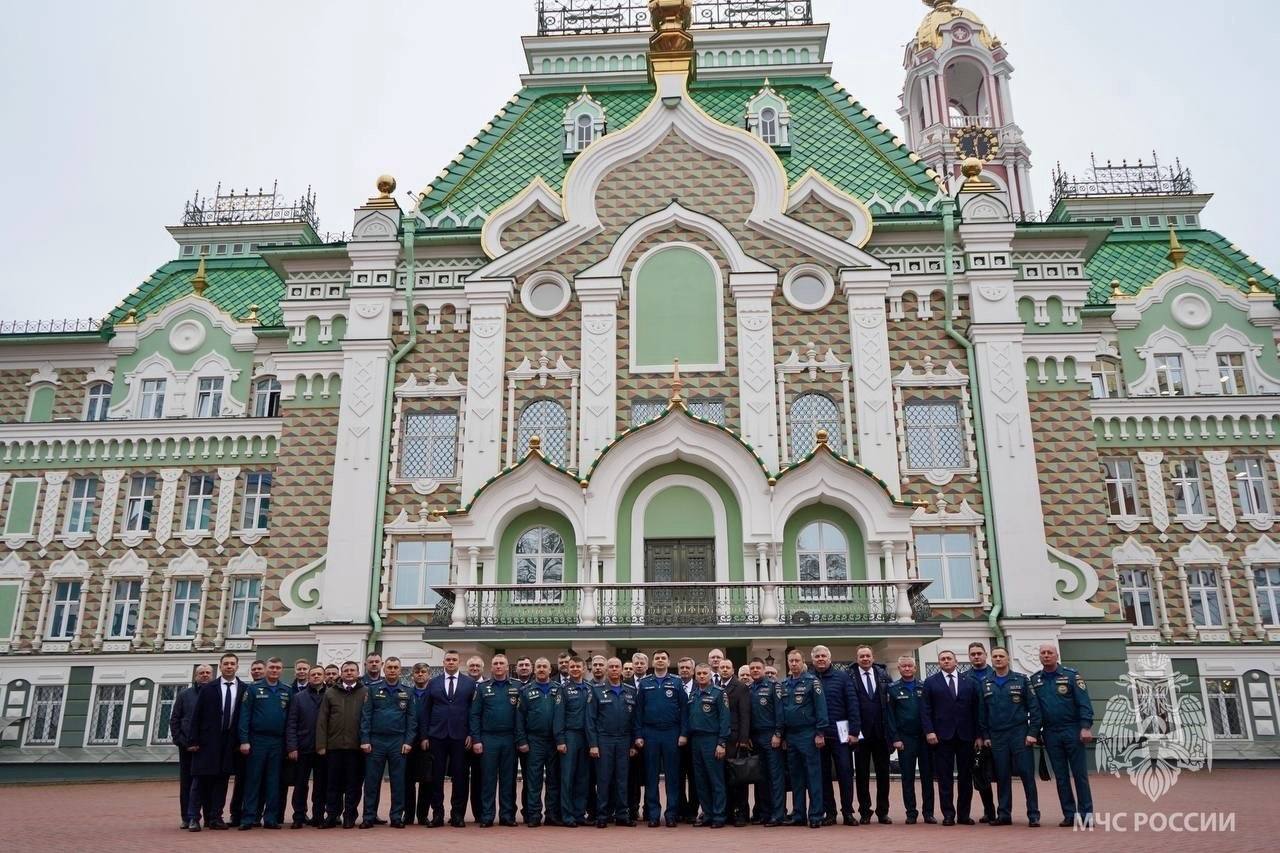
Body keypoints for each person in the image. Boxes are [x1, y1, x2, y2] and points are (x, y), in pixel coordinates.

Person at [1030, 643, 1094, 827]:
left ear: (1056, 655)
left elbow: (1084, 703)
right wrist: (1035, 732)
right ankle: (1069, 815)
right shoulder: (1035, 680)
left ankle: (1086, 815)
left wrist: (1085, 726)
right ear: (1039, 657)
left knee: (1080, 775)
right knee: (1061, 777)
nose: (1046, 655)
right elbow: (1035, 710)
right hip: (1051, 733)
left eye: (1050, 652)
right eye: (1043, 653)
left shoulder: (1072, 676)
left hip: (1072, 730)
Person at [977, 647, 1041, 827]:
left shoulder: (1021, 680)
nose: (998, 659)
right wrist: (986, 735)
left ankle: (1033, 814)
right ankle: (1004, 814)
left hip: (1019, 733)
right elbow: (982, 713)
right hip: (997, 736)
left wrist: (1032, 733)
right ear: (992, 659)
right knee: (1002, 776)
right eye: (995, 656)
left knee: (1027, 775)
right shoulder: (986, 683)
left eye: (1001, 656)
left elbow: (1034, 709)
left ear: (1008, 659)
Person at [186, 653, 247, 830]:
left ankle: (215, 817)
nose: (229, 666)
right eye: (226, 663)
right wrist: (193, 740)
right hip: (207, 742)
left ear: (237, 666)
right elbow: (197, 715)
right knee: (200, 781)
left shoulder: (244, 689)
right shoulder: (208, 688)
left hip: (229, 743)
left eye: (232, 664)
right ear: (220, 666)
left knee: (222, 781)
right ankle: (194, 818)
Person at [921, 649, 979, 826]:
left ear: (956, 661)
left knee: (965, 777)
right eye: (942, 659)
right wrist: (929, 731)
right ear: (939, 663)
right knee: (944, 777)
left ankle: (964, 814)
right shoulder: (931, 682)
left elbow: (976, 710)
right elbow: (925, 709)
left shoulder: (969, 682)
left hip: (966, 735)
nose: (946, 661)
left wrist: (978, 735)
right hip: (941, 736)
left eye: (949, 658)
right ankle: (948, 814)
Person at [359, 656, 416, 828]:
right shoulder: (373, 690)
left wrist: (409, 741)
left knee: (398, 781)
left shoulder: (408, 691)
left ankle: (396, 816)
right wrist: (365, 739)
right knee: (372, 781)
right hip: (376, 741)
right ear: (384, 669)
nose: (392, 670)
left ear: (400, 670)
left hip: (398, 741)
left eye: (395, 667)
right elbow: (366, 716)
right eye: (389, 667)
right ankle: (369, 816)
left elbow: (412, 719)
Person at [421, 649, 475, 827]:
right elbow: (426, 710)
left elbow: (473, 711)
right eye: (448, 660)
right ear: (443, 662)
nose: (451, 662)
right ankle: (437, 814)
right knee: (436, 777)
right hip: (437, 735)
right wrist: (424, 735)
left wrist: (471, 733)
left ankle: (457, 815)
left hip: (461, 736)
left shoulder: (469, 683)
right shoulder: (433, 683)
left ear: (459, 662)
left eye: (454, 660)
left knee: (460, 776)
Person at [238, 657, 292, 829]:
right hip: (257, 740)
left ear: (281, 670)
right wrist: (244, 740)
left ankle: (271, 818)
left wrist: (289, 745)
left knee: (273, 781)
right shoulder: (253, 689)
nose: (274, 670)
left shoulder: (286, 690)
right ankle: (248, 818)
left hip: (278, 742)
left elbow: (291, 719)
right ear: (266, 669)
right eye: (272, 667)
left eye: (278, 668)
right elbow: (244, 716)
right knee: (253, 780)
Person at [586, 657, 640, 827]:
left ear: (622, 669)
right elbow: (590, 720)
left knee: (622, 779)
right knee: (604, 779)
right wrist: (593, 744)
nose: (615, 669)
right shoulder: (596, 690)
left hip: (624, 740)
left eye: (617, 666)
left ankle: (622, 815)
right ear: (607, 670)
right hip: (604, 740)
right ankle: (602, 815)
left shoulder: (631, 691)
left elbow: (635, 720)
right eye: (611, 667)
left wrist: (633, 744)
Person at [636, 649, 687, 827]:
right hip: (650, 733)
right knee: (651, 776)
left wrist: (683, 733)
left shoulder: (677, 682)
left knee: (673, 776)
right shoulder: (645, 683)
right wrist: (638, 734)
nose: (660, 660)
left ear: (668, 662)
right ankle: (653, 815)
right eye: (657, 658)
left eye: (663, 658)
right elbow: (638, 711)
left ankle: (671, 814)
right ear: (652, 662)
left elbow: (684, 710)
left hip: (671, 732)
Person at [777, 649, 827, 828]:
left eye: (796, 660)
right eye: (791, 661)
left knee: (813, 776)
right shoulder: (784, 684)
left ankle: (816, 815)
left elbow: (821, 708)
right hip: (791, 735)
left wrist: (820, 733)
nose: (793, 663)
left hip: (809, 734)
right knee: (796, 777)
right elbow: (781, 712)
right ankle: (799, 814)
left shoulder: (812, 682)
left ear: (803, 661)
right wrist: (782, 735)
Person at [470, 654, 522, 827]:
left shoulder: (517, 686)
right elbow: (474, 715)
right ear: (491, 667)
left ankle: (507, 815)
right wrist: (476, 739)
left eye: (502, 663)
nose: (498, 666)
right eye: (495, 663)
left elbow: (522, 714)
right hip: (488, 738)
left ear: (507, 667)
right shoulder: (483, 687)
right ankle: (487, 816)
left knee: (509, 779)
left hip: (510, 739)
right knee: (488, 779)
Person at [810, 644, 858, 826]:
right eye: (817, 656)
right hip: (818, 736)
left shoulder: (842, 677)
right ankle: (829, 813)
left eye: (823, 656)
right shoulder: (809, 678)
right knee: (823, 777)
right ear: (813, 660)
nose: (821, 659)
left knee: (845, 774)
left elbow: (852, 704)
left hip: (841, 735)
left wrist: (854, 731)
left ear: (829, 658)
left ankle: (848, 812)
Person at [316, 661, 366, 828]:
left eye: (352, 670)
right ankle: (332, 815)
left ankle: (350, 816)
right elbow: (322, 720)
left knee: (354, 784)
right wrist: (321, 745)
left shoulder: (365, 692)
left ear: (358, 673)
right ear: (341, 673)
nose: (349, 673)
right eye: (346, 670)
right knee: (332, 784)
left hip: (356, 748)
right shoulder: (330, 693)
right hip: (334, 747)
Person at [886, 655, 934, 825]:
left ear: (915, 668)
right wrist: (895, 738)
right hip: (905, 739)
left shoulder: (925, 686)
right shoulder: (892, 689)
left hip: (925, 738)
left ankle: (928, 813)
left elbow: (931, 711)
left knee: (927, 777)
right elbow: (890, 716)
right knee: (907, 778)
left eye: (909, 666)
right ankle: (911, 813)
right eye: (903, 666)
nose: (907, 668)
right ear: (899, 669)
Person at [516, 657, 563, 826]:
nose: (542, 669)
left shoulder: (559, 689)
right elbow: (519, 718)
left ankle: (552, 814)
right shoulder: (526, 690)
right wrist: (522, 740)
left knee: (553, 779)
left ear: (550, 670)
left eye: (545, 666)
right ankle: (533, 814)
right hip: (534, 740)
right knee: (533, 780)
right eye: (539, 667)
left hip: (554, 741)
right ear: (534, 670)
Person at [686, 664, 730, 828]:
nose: (702, 676)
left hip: (712, 740)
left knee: (716, 779)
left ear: (711, 675)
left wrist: (721, 743)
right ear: (695, 675)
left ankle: (719, 816)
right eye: (699, 673)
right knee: (700, 780)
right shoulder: (693, 694)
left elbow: (725, 719)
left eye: (705, 673)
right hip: (695, 741)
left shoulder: (719, 693)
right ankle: (708, 814)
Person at [851, 646, 891, 824]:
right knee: (862, 775)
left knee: (883, 774)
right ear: (857, 658)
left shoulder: (884, 675)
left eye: (868, 655)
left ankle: (883, 812)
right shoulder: (850, 676)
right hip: (860, 734)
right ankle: (865, 811)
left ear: (873, 657)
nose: (865, 658)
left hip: (881, 733)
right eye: (862, 656)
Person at [286, 664, 327, 828]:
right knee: (300, 784)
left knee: (321, 785)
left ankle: (318, 816)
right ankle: (299, 816)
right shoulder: (298, 697)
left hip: (323, 748)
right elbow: (291, 723)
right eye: (313, 674)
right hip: (303, 747)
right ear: (309, 677)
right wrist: (292, 747)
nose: (316, 676)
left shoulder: (331, 695)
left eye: (319, 674)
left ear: (324, 677)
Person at [173, 663, 213, 830]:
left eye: (208, 672)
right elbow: (175, 720)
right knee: (187, 784)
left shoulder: (216, 693)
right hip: (187, 748)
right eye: (201, 673)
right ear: (196, 676)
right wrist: (182, 742)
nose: (205, 675)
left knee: (209, 783)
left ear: (212, 675)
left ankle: (209, 817)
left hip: (208, 748)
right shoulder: (185, 695)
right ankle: (187, 817)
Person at [555, 656, 594, 827]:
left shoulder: (590, 688)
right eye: (572, 667)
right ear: (568, 669)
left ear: (584, 668)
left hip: (587, 737)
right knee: (567, 778)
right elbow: (558, 716)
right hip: (570, 736)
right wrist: (560, 739)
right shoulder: (563, 689)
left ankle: (579, 814)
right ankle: (567, 815)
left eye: (578, 666)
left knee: (583, 778)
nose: (575, 669)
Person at [747, 657, 784, 826]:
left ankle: (778, 814)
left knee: (775, 777)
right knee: (761, 777)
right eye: (752, 668)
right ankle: (765, 813)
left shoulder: (773, 686)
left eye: (758, 668)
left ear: (763, 669)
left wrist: (778, 733)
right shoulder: (749, 689)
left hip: (771, 736)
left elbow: (780, 712)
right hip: (755, 738)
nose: (755, 670)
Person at [715, 659, 752, 826]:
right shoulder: (715, 686)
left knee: (738, 778)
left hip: (735, 739)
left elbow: (745, 714)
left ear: (733, 670)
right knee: (723, 778)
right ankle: (727, 812)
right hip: (720, 738)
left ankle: (741, 813)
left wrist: (743, 739)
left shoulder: (741, 687)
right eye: (722, 667)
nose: (724, 669)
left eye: (727, 667)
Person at [966, 642, 997, 823]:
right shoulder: (965, 678)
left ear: (986, 655)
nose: (976, 656)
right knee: (981, 772)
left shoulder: (997, 674)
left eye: (979, 653)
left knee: (1001, 773)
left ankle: (1004, 810)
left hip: (997, 732)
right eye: (973, 654)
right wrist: (977, 735)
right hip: (975, 734)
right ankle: (989, 811)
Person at [404, 662, 433, 825]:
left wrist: (426, 736)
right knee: (407, 780)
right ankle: (408, 815)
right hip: (408, 741)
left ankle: (422, 815)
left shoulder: (434, 693)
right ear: (412, 675)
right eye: (417, 672)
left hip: (427, 741)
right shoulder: (406, 693)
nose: (420, 674)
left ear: (429, 674)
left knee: (426, 780)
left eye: (423, 672)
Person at [675, 656, 699, 823]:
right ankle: (681, 809)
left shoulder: (701, 686)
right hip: (676, 738)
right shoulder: (674, 685)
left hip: (696, 739)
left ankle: (692, 811)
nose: (684, 670)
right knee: (677, 776)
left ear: (693, 670)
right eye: (681, 668)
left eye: (687, 668)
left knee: (695, 777)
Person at [627, 651, 649, 820]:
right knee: (632, 777)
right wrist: (632, 743)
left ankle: (649, 809)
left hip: (651, 736)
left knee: (650, 776)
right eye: (637, 663)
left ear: (647, 666)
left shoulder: (652, 683)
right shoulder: (624, 684)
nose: (639, 666)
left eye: (642, 663)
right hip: (631, 738)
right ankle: (632, 809)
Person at [465, 655, 486, 820]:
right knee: (461, 777)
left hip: (482, 738)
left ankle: (480, 812)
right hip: (463, 738)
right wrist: (468, 734)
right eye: (472, 665)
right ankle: (458, 813)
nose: (474, 668)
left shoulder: (487, 686)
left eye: (477, 666)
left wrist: (476, 736)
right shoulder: (461, 685)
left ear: (483, 668)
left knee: (480, 777)